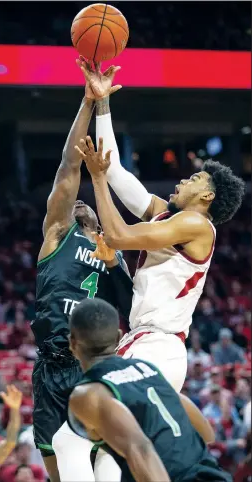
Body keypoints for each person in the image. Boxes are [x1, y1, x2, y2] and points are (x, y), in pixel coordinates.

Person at [76, 58, 245, 394]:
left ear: (207, 195)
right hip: (140, 339)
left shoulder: (197, 225)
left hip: (159, 347)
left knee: (97, 419)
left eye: (194, 178)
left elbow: (120, 235)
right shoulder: (166, 215)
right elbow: (114, 170)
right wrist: (102, 101)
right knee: (84, 435)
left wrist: (94, 179)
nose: (184, 179)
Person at [31, 91, 133, 482]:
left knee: (102, 464)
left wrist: (113, 262)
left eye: (84, 204)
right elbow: (68, 166)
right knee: (60, 471)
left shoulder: (115, 252)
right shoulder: (57, 234)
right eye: (75, 203)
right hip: (50, 364)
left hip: (91, 364)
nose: (79, 203)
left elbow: (130, 305)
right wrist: (90, 101)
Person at [53, 298, 232, 482]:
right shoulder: (145, 368)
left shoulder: (87, 394)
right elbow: (199, 424)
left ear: (72, 343)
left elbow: (140, 449)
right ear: (118, 337)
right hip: (211, 473)